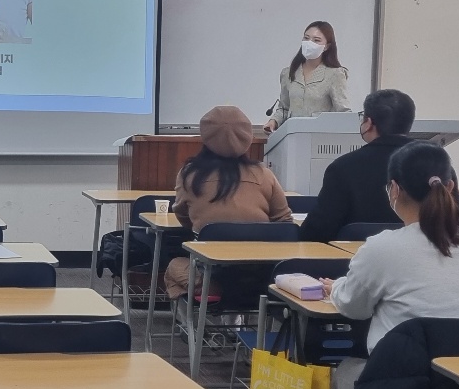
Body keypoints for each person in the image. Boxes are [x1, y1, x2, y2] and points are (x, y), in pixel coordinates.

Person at [325, 141, 459, 354]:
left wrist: (336, 288)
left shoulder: (382, 248)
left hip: (404, 371)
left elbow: (353, 307)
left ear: (394, 189)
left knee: (347, 369)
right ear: (450, 187)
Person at [162, 106, 293, 298]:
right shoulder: (264, 174)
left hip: (211, 273)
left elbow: (184, 217)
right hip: (262, 276)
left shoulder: (190, 174)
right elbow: (285, 223)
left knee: (174, 266)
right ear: (246, 137)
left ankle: (205, 303)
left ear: (206, 136)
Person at [298, 89, 416, 243]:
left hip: (355, 256)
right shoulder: (434, 161)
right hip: (425, 255)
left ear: (368, 123)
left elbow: (317, 231)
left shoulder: (343, 167)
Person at [263, 21, 349, 133]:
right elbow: (284, 108)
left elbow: (343, 112)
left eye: (316, 40)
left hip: (320, 136)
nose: (309, 43)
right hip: (292, 134)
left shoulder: (335, 74)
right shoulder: (288, 73)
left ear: (326, 46)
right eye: (306, 38)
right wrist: (273, 121)